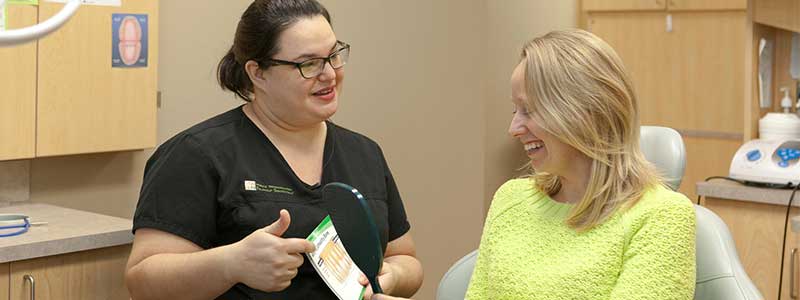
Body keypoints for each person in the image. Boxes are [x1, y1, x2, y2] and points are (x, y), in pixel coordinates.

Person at [124, 0, 423, 299]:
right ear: (258, 73)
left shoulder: (365, 153)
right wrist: (231, 264)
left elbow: (405, 259)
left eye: (333, 55)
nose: (330, 74)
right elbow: (142, 283)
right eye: (308, 64)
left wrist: (390, 277)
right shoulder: (198, 154)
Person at [465, 29, 696, 299]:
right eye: (515, 110)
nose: (513, 128)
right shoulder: (509, 200)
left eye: (530, 109)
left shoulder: (661, 217)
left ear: (588, 112)